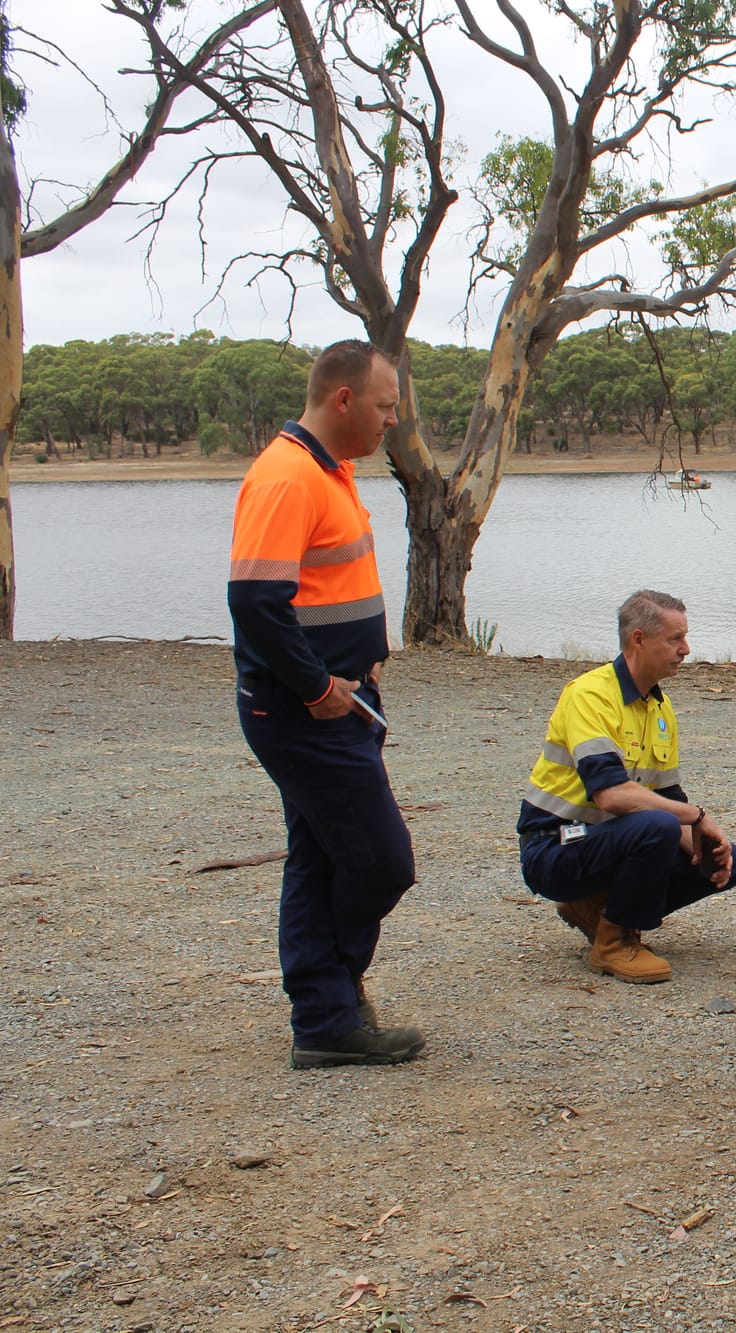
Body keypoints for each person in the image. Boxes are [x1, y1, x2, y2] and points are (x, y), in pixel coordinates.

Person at [228, 340, 421, 1070]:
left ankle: (324, 1018)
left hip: (342, 702)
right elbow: (255, 600)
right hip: (306, 711)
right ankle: (330, 1000)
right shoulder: (286, 477)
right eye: (384, 405)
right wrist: (316, 686)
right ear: (344, 399)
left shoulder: (329, 470)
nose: (391, 420)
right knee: (381, 861)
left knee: (319, 856)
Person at [518, 590, 736, 984]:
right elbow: (611, 795)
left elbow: (667, 800)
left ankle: (596, 909)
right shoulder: (590, 695)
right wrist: (697, 817)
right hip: (556, 843)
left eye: (685, 638)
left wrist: (706, 844)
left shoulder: (659, 708)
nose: (686, 649)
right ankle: (613, 943)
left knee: (726, 862)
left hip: (610, 840)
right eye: (675, 639)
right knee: (658, 826)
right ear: (638, 639)